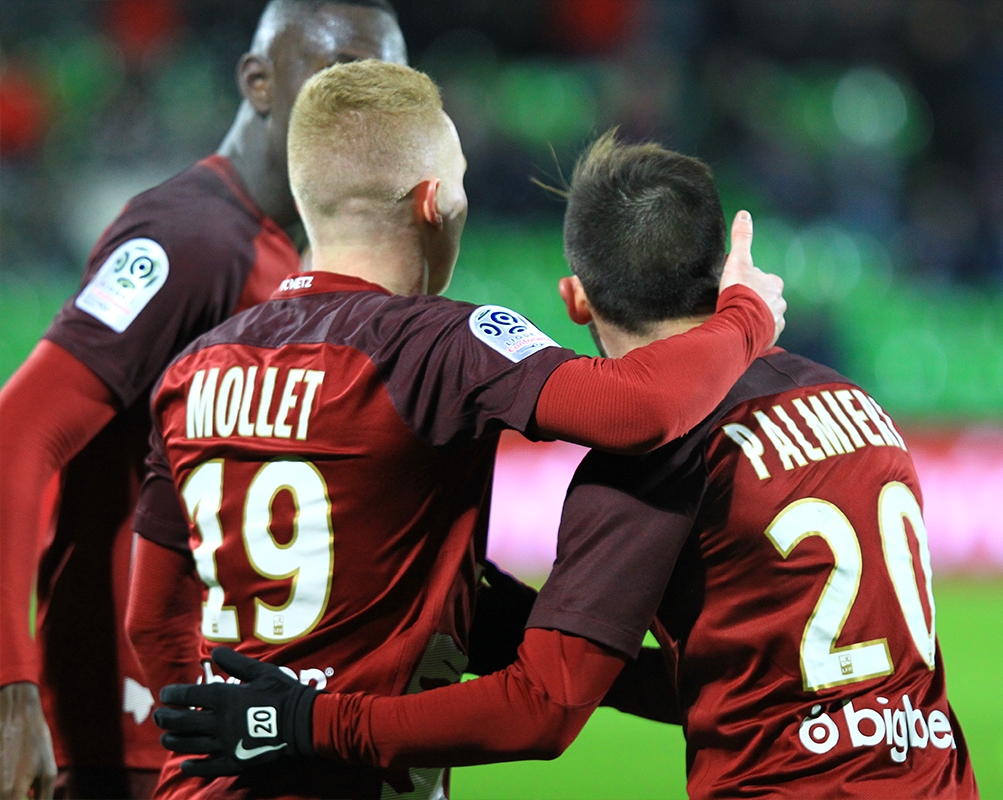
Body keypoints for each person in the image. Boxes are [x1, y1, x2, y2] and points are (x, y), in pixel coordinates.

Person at [154, 133, 978, 798]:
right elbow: (752, 683)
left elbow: (540, 710)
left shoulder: (649, 454)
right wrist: (511, 624)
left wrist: (310, 722)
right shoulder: (854, 407)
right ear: (720, 268)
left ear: (575, 298)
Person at [123, 63, 784, 800]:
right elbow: (639, 409)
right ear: (434, 203)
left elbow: (151, 621)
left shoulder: (192, 369)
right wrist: (748, 313)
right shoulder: (438, 345)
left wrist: (230, 732)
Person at [0, 3, 407, 798]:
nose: (364, 111)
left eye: (386, 88)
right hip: (123, 741)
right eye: (339, 77)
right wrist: (11, 687)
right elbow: (17, 433)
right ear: (258, 81)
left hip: (208, 732)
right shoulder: (193, 239)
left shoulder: (287, 257)